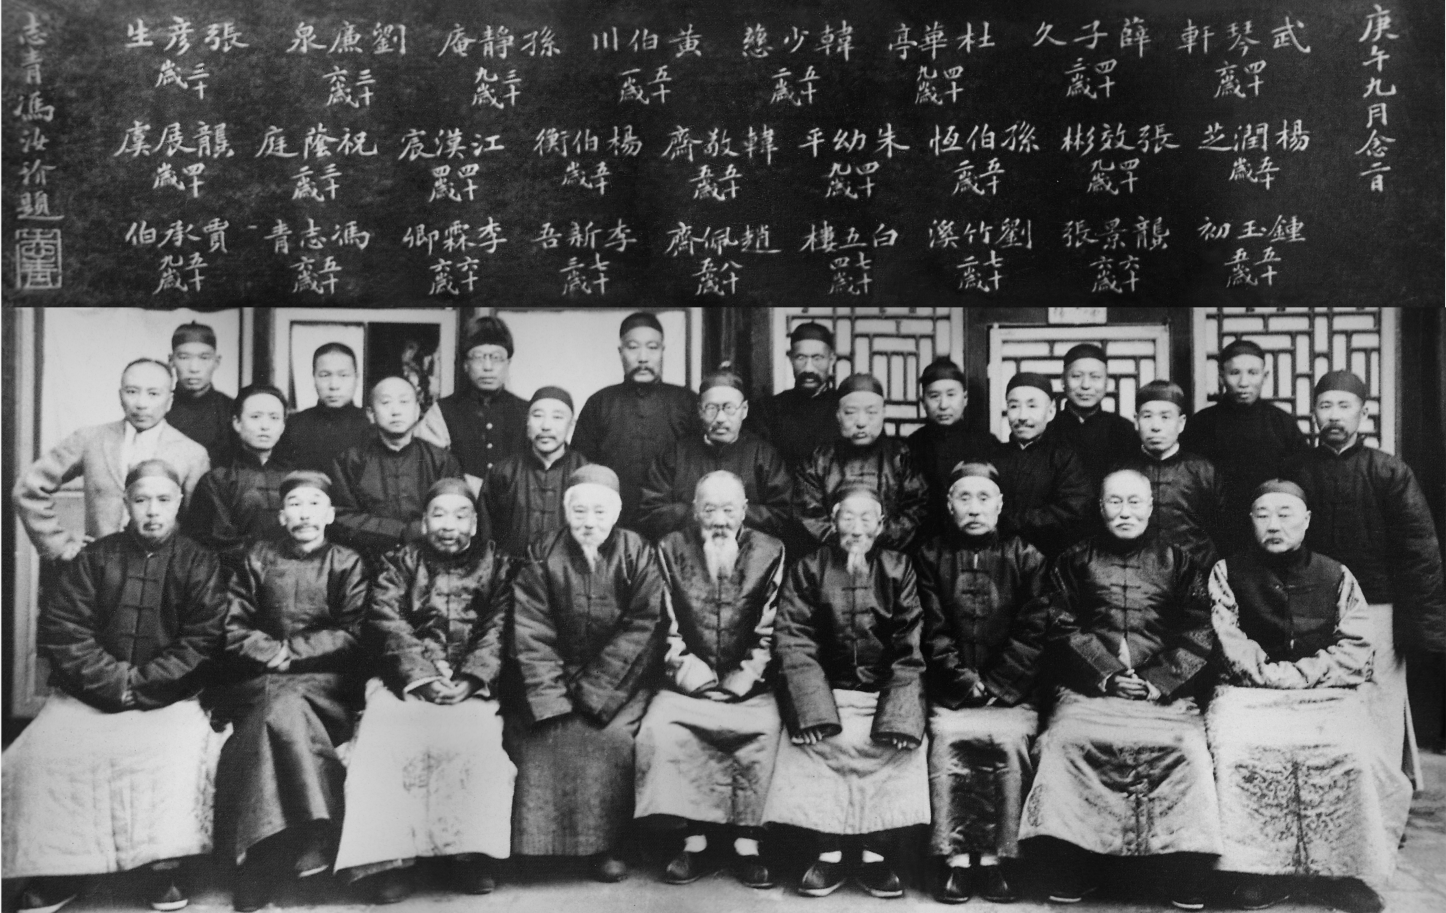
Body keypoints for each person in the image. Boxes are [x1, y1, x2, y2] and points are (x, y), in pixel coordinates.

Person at [3, 460, 228, 913]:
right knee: (46, 751)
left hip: (169, 696)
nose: (152, 511)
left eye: (163, 500)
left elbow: (203, 639)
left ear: (179, 503)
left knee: (171, 754)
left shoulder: (199, 562)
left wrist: (143, 684)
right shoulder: (95, 558)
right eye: (141, 500)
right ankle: (59, 867)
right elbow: (65, 629)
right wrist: (115, 683)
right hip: (91, 693)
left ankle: (161, 865)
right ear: (126, 502)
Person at [1207, 480, 1411, 912]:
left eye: (1285, 515)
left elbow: (1356, 646)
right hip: (1248, 691)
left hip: (1324, 693)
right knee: (1238, 748)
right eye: (1263, 515)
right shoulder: (1228, 571)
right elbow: (1226, 638)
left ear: (1306, 521)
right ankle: (1256, 869)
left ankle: (1344, 872)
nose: (1274, 525)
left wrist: (1303, 674)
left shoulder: (1336, 574)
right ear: (1250, 521)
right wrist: (1269, 674)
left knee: (1354, 751)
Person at [1020, 469, 1220, 910]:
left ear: (1150, 507)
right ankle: (1074, 864)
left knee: (1187, 749)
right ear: (1101, 507)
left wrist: (1159, 681)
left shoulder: (1180, 562)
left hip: (1162, 695)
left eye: (1134, 502)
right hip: (1089, 691)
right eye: (1115, 502)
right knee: (1065, 743)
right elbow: (1060, 624)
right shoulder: (1074, 561)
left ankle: (1180, 868)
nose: (1125, 512)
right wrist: (1107, 673)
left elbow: (1199, 630)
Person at [334, 478, 517, 902]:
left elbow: (499, 626)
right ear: (424, 521)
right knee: (384, 736)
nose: (449, 525)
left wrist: (470, 677)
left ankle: (469, 856)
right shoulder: (398, 562)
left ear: (474, 523)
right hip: (407, 680)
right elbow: (386, 620)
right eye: (439, 514)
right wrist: (424, 675)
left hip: (472, 682)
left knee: (476, 738)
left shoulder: (499, 565)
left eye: (460, 515)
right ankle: (389, 860)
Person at [209, 471, 368, 912]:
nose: (305, 514)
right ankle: (307, 840)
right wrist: (271, 652)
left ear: (330, 515)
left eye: (314, 504)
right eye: (295, 505)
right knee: (276, 711)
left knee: (280, 712)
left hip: (324, 683)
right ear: (281, 516)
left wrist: (292, 653)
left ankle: (263, 855)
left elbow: (352, 631)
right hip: (261, 675)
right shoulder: (256, 558)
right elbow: (232, 626)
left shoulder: (347, 562)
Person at [763, 483, 929, 899]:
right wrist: (812, 709)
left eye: (866, 518)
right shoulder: (809, 567)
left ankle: (876, 853)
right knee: (808, 741)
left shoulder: (899, 568)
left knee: (902, 744)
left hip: (882, 695)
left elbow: (910, 642)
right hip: (826, 693)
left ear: (881, 525)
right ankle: (829, 851)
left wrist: (899, 713)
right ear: (833, 521)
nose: (856, 528)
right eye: (847, 517)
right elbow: (793, 638)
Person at [1285, 370, 1446, 790]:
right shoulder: (1296, 472)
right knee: (1320, 689)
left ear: (1364, 412)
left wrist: (1422, 624)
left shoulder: (1389, 471)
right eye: (1326, 406)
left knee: (1380, 695)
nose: (1334, 415)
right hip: (1313, 602)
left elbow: (1419, 550)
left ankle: (1383, 789)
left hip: (1378, 604)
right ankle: (1331, 788)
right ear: (1313, 413)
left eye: (1345, 406)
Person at [506, 465, 666, 882]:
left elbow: (645, 625)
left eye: (599, 512)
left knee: (611, 739)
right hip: (553, 676)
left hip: (620, 682)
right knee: (537, 734)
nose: (589, 522)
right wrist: (550, 695)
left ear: (617, 513)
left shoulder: (638, 552)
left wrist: (595, 691)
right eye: (579, 512)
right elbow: (530, 628)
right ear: (566, 513)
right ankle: (535, 848)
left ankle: (604, 848)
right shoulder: (542, 551)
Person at [634, 471, 786, 889]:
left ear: (745, 511)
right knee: (660, 729)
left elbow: (772, 630)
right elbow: (663, 624)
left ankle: (747, 843)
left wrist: (742, 679)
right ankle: (694, 840)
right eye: (710, 509)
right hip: (687, 683)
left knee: (767, 729)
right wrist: (695, 677)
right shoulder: (669, 548)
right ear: (695, 511)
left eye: (729, 510)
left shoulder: (770, 550)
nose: (720, 520)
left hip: (750, 686)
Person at [915, 462, 1050, 905]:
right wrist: (963, 682)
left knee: (1008, 743)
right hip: (950, 691)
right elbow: (930, 628)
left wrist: (996, 685)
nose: (974, 508)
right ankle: (955, 859)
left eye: (984, 498)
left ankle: (994, 860)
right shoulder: (929, 557)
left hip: (1011, 693)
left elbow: (1034, 630)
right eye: (964, 498)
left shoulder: (1027, 557)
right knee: (948, 741)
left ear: (1000, 505)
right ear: (949, 505)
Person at [14, 358, 210, 562]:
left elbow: (200, 527)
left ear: (169, 401)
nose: (141, 404)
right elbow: (27, 489)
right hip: (98, 569)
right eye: (132, 391)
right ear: (120, 395)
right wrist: (59, 546)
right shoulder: (90, 439)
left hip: (162, 572)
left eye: (153, 394)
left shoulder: (192, 454)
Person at [636, 364, 792, 541]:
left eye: (729, 408)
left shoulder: (764, 456)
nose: (720, 418)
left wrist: (731, 513)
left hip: (748, 550)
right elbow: (651, 511)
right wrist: (700, 512)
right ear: (700, 411)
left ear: (744, 410)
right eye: (711, 408)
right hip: (687, 551)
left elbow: (782, 514)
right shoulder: (675, 455)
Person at [1180, 339, 1307, 556]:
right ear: (1221, 376)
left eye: (1253, 373)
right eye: (1234, 373)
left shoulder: (1282, 424)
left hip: (1271, 530)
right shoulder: (1201, 424)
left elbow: (1299, 483)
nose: (1243, 382)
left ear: (1265, 376)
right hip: (1215, 532)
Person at [572, 311, 698, 529]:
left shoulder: (686, 402)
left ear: (662, 351)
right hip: (612, 523)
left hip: (673, 525)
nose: (643, 357)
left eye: (652, 347)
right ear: (620, 351)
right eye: (633, 347)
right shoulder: (600, 403)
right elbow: (581, 466)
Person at [329, 376, 464, 563]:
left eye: (404, 402)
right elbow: (341, 517)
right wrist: (401, 531)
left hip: (430, 561)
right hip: (369, 562)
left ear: (417, 411)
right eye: (386, 403)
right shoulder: (350, 461)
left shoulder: (441, 460)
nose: (396, 411)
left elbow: (456, 513)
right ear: (371, 414)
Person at [793, 372, 930, 554]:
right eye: (850, 413)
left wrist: (874, 537)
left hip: (889, 557)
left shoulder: (900, 456)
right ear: (838, 415)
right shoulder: (818, 459)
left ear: (883, 413)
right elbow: (809, 515)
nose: (861, 422)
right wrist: (848, 541)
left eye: (871, 412)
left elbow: (916, 509)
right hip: (832, 557)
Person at [1114, 380, 1225, 569]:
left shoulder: (1203, 470)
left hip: (1195, 570)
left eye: (1165, 417)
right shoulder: (1121, 471)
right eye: (1147, 416)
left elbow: (1221, 527)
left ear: (1181, 423)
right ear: (1136, 421)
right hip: (1136, 571)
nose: (1156, 426)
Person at [185, 384, 293, 569]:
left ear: (283, 425)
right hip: (236, 574)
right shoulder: (218, 480)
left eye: (274, 418)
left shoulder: (296, 478)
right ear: (237, 423)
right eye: (255, 417)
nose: (265, 426)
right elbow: (216, 542)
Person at [416, 315, 529, 487]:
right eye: (478, 357)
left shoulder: (527, 410)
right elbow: (425, 467)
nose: (488, 367)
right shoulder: (443, 411)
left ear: (508, 363)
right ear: (465, 364)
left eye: (496, 358)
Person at [991, 372, 1093, 560]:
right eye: (1014, 406)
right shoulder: (993, 457)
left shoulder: (1065, 458)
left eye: (1032, 406)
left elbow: (1072, 512)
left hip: (1050, 558)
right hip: (998, 559)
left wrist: (1009, 522)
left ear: (1051, 411)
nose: (1022, 416)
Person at [483, 386, 590, 557]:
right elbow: (485, 535)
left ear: (571, 424)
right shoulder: (503, 473)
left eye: (557, 417)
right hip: (511, 570)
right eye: (537, 416)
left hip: (568, 571)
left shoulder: (586, 474)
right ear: (527, 422)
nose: (546, 426)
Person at [905, 358, 997, 539]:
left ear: (965, 398)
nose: (943, 405)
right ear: (923, 402)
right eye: (934, 396)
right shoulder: (912, 445)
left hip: (975, 535)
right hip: (924, 540)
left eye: (951, 394)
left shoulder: (986, 442)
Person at [746, 321, 843, 472]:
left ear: (831, 359)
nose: (809, 368)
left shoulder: (844, 407)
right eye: (801, 358)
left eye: (817, 358)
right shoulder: (769, 409)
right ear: (791, 358)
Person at [271, 343, 373, 475]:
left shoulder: (369, 424)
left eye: (343, 375)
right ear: (314, 377)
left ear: (356, 378)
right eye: (325, 375)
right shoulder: (294, 425)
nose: (334, 385)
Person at [1046, 343, 1138, 488]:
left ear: (1107, 382)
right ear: (1063, 381)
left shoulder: (1124, 429)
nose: (1086, 385)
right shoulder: (1047, 429)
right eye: (1076, 376)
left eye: (1095, 377)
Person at [167, 322, 235, 467]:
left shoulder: (232, 409)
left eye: (204, 358)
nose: (194, 368)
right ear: (171, 360)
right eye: (184, 357)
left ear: (216, 362)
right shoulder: (159, 407)